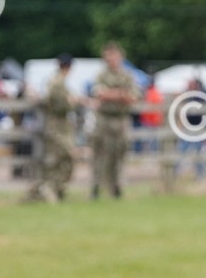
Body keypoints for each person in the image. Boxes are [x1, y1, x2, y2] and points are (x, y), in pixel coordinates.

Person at [25, 53, 79, 202]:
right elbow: (59, 104)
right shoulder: (57, 82)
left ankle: (54, 190)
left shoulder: (56, 81)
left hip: (59, 126)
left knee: (59, 159)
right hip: (57, 127)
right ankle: (49, 191)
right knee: (60, 158)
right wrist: (73, 102)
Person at [91, 42, 138, 199]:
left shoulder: (127, 75)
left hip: (121, 120)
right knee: (100, 154)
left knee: (119, 153)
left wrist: (112, 94)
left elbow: (132, 97)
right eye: (108, 56)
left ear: (120, 57)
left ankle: (116, 187)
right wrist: (120, 94)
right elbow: (99, 93)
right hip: (104, 119)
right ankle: (96, 187)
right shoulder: (101, 75)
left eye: (114, 56)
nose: (111, 60)